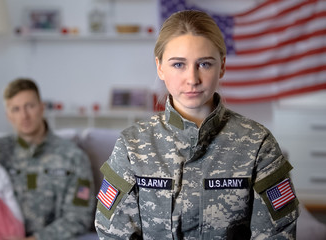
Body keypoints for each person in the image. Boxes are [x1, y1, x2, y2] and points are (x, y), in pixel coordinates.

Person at [94, 10, 299, 239]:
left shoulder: (259, 145)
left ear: (221, 66)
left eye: (204, 64)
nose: (192, 79)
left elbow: (278, 233)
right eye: (178, 65)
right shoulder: (132, 145)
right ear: (160, 67)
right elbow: (112, 233)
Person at [0, 78, 95, 240]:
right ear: (8, 116)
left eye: (30, 106)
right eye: (16, 109)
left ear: (42, 108)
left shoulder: (73, 156)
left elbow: (79, 217)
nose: (24, 116)